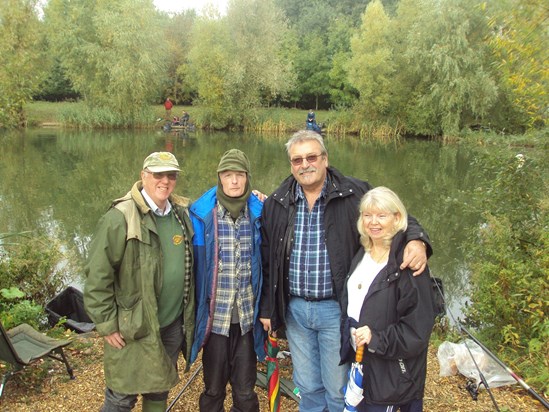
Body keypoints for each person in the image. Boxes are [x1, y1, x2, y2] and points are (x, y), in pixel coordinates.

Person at [259, 130, 431, 412]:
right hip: (296, 311)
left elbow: (394, 214)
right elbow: (269, 260)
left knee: (340, 391)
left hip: (336, 310)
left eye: (312, 157)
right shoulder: (277, 202)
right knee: (308, 386)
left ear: (325, 159)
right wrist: (268, 307)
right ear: (291, 164)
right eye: (297, 159)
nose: (305, 165)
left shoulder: (353, 192)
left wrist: (417, 239)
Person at [84, 152, 195, 412]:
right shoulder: (119, 217)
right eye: (158, 174)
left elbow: (220, 200)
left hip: (170, 324)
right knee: (122, 396)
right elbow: (97, 276)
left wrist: (258, 198)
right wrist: (107, 324)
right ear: (143, 175)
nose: (165, 181)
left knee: (159, 387)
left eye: (171, 175)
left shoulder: (181, 214)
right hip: (131, 327)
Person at [340, 187, 436, 411]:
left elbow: (418, 331)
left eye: (381, 215)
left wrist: (376, 339)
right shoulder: (362, 252)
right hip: (361, 360)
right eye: (368, 215)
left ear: (397, 218)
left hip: (392, 373)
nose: (374, 222)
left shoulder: (408, 264)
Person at [190, 149, 266, 411]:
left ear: (247, 178)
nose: (234, 181)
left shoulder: (261, 214)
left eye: (239, 175)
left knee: (245, 391)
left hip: (247, 319)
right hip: (216, 321)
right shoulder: (200, 215)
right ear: (219, 178)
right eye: (227, 175)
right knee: (213, 389)